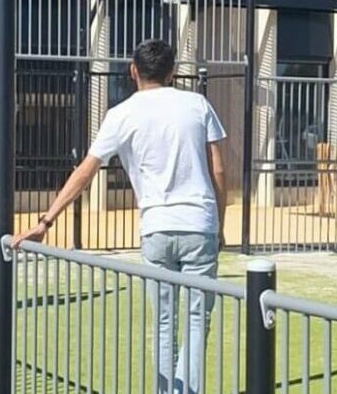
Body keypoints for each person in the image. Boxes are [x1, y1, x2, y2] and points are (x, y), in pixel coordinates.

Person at [12, 39, 227, 394]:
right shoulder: (197, 104)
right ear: (173, 71)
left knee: (164, 321)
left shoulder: (121, 114)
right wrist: (218, 220)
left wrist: (45, 221)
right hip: (199, 223)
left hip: (156, 227)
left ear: (132, 71)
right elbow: (219, 168)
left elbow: (85, 171)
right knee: (196, 319)